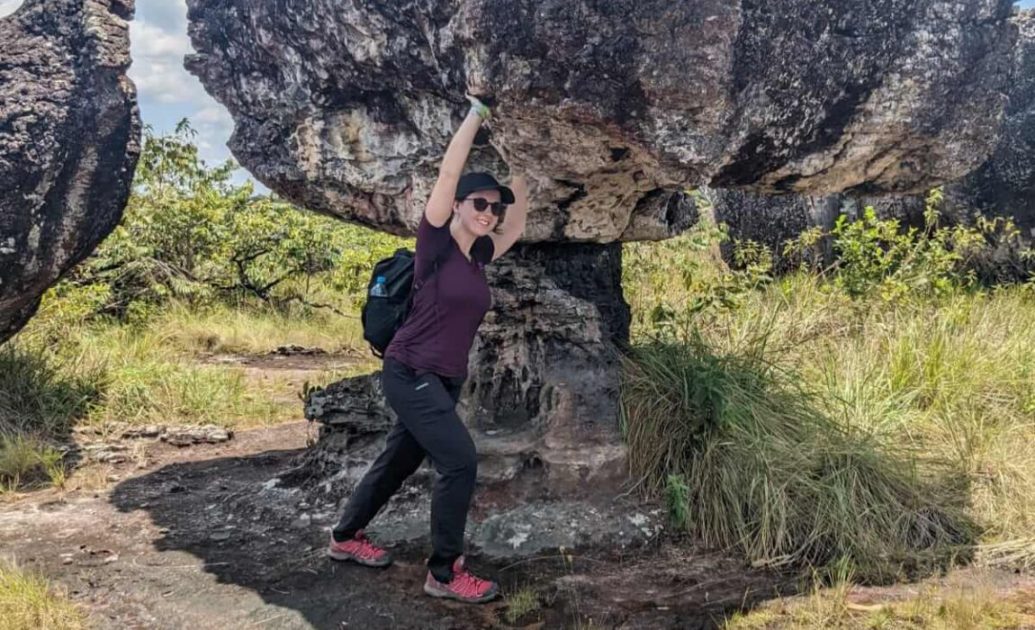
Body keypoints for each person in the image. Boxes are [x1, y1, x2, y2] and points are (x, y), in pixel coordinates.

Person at [326, 95, 529, 604]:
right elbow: (446, 175)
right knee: (460, 459)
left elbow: (520, 223)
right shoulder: (435, 243)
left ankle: (345, 537)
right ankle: (443, 572)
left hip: (443, 379)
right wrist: (478, 115)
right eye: (479, 203)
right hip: (409, 369)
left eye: (493, 206)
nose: (488, 212)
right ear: (459, 205)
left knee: (397, 463)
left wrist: (525, 163)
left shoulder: (480, 256)